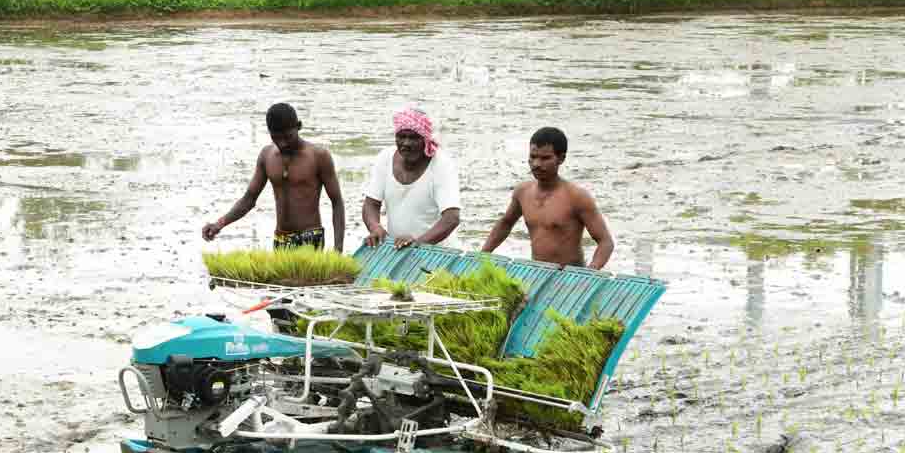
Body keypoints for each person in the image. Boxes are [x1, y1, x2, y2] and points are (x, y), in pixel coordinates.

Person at [202, 103, 345, 252]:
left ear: (298, 127)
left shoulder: (319, 156)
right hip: (280, 239)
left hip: (310, 238)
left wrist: (338, 250)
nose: (282, 143)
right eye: (276, 138)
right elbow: (249, 199)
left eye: (288, 137)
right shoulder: (267, 156)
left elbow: (336, 202)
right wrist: (219, 224)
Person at [481, 127, 614, 269]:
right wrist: (483, 255)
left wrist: (590, 272)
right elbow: (505, 224)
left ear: (561, 158)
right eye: (533, 157)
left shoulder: (577, 197)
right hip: (538, 274)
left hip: (570, 277)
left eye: (545, 158)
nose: (537, 164)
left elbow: (605, 242)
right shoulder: (522, 192)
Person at [362, 108, 461, 250]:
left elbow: (451, 218)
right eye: (401, 136)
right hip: (400, 249)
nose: (406, 143)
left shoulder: (441, 165)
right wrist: (375, 227)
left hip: (436, 250)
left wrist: (417, 243)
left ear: (425, 139)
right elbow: (371, 204)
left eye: (413, 138)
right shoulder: (385, 158)